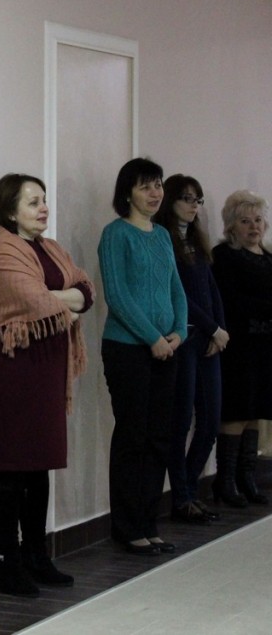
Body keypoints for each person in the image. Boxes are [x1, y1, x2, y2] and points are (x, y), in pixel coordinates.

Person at [0, 173, 93, 596]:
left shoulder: (51, 248)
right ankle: (7, 561)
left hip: (46, 364)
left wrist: (60, 298)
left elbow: (86, 290)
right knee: (14, 467)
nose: (43, 208)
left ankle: (37, 555)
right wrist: (63, 299)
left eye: (43, 200)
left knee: (40, 464)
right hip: (14, 364)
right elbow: (34, 299)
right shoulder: (0, 252)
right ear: (10, 211)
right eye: (32, 202)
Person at [98, 158, 187, 556]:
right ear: (127, 193)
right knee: (133, 436)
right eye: (145, 186)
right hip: (128, 349)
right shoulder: (115, 234)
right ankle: (127, 526)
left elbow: (175, 289)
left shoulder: (163, 235)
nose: (155, 193)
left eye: (158, 185)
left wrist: (180, 332)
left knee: (159, 437)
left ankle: (149, 523)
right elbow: (117, 296)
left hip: (167, 348)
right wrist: (153, 338)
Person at [154, 175, 228, 522]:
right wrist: (212, 328)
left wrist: (219, 330)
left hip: (209, 341)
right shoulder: (162, 240)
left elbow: (211, 290)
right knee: (181, 421)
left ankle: (189, 491)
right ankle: (182, 498)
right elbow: (179, 296)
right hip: (183, 338)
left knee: (210, 422)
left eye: (198, 200)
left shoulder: (197, 243)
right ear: (170, 200)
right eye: (186, 198)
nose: (193, 206)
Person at [211, 190, 272, 508]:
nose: (254, 226)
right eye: (245, 221)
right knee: (237, 408)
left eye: (258, 220)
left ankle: (247, 477)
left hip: (265, 346)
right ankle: (226, 481)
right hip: (238, 346)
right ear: (231, 226)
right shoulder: (224, 256)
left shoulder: (268, 257)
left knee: (257, 409)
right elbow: (231, 301)